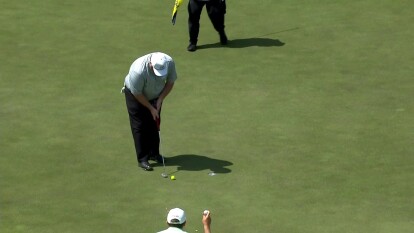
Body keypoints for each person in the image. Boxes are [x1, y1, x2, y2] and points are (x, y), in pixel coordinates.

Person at [121, 52, 177, 171]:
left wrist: (160, 99)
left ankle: (154, 154)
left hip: (156, 95)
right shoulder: (138, 70)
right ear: (151, 64)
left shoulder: (169, 62)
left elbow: (171, 82)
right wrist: (150, 108)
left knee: (154, 122)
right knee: (139, 125)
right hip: (135, 95)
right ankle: (142, 159)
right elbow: (137, 93)